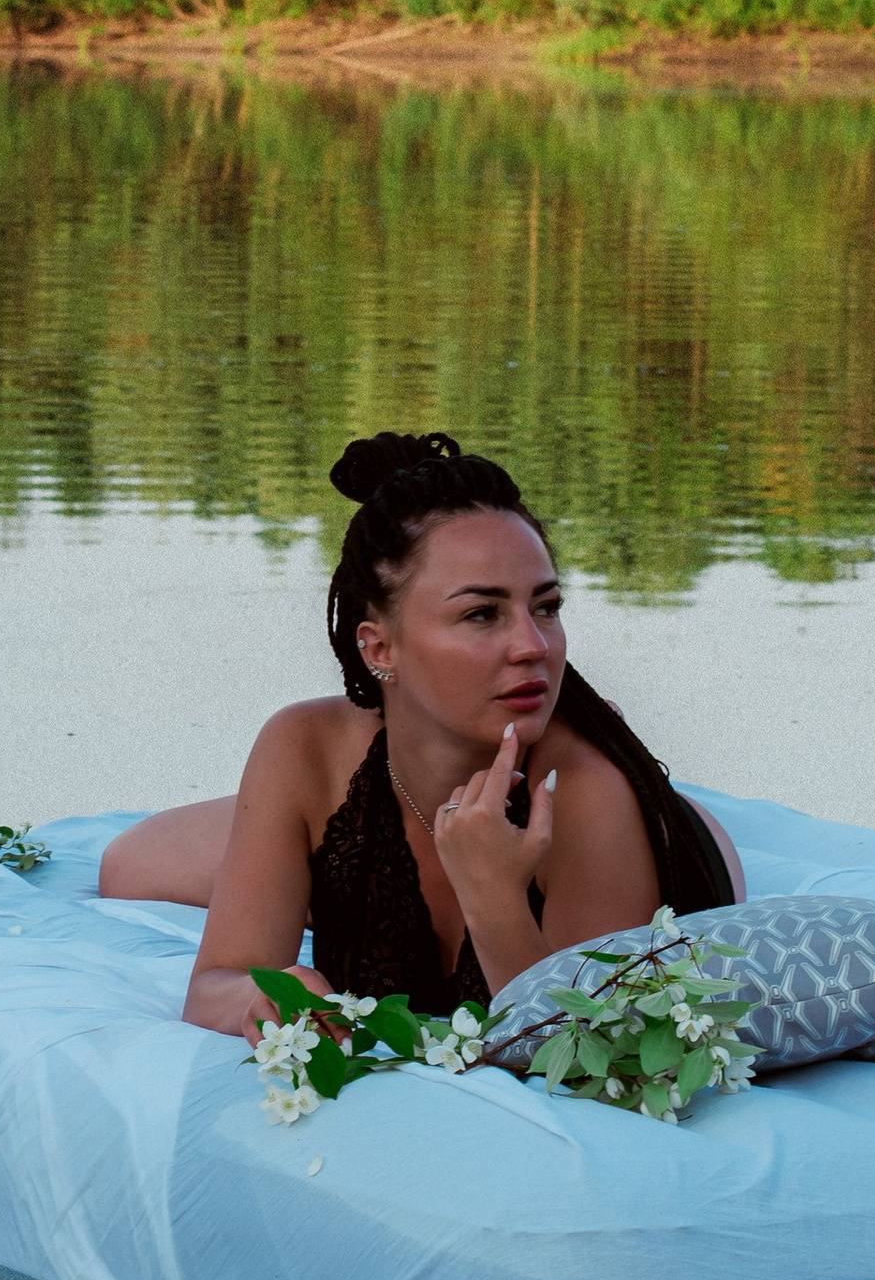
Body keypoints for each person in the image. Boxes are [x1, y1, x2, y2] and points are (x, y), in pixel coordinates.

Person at [101, 429, 742, 1037]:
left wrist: (492, 894)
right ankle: (315, 878)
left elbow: (584, 1054)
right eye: (482, 613)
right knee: (123, 867)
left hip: (657, 847)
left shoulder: (584, 799)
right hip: (397, 783)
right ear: (380, 647)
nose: (534, 645)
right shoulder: (304, 747)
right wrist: (267, 993)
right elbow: (214, 984)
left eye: (545, 607)